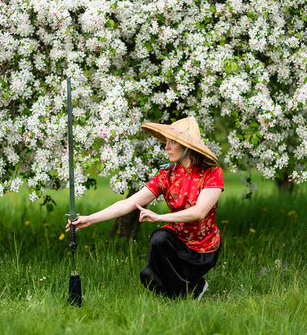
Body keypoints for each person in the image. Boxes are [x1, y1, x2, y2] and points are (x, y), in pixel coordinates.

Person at [66, 117, 224, 300]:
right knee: (149, 274)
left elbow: (199, 213)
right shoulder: (167, 176)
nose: (166, 147)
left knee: (160, 250)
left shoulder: (212, 173)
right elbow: (129, 203)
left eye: (173, 142)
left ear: (186, 145)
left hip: (204, 250)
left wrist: (159, 217)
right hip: (177, 245)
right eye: (166, 141)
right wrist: (89, 219)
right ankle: (193, 289)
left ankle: (188, 288)